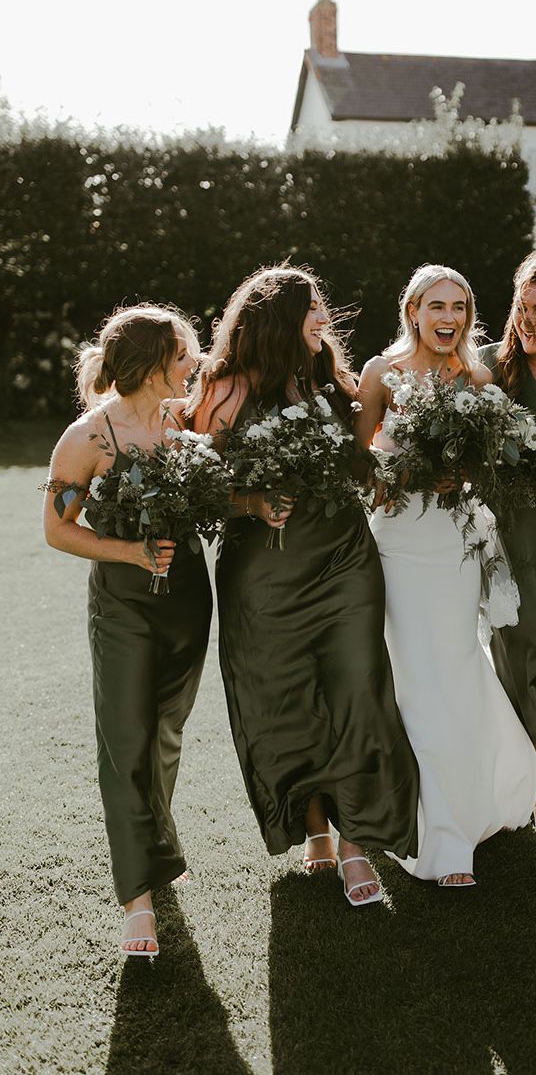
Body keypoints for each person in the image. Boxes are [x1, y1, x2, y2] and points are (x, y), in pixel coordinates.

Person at [191, 264, 419, 907]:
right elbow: (198, 485)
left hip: (345, 559)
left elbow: (365, 456)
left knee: (359, 691)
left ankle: (356, 844)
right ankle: (313, 825)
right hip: (263, 574)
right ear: (277, 318)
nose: (325, 315)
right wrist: (252, 501)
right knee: (284, 703)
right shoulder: (226, 390)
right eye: (313, 306)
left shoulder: (328, 383)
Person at [356, 263, 536, 887]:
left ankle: (483, 796)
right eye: (437, 306)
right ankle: (440, 834)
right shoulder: (382, 374)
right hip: (401, 545)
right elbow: (360, 465)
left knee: (459, 666)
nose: (449, 318)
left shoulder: (478, 377)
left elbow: (490, 467)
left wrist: (461, 473)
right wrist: (401, 472)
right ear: (413, 311)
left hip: (457, 545)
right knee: (415, 679)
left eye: (459, 307)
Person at [43, 304, 212, 956]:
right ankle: (137, 898)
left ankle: (159, 845)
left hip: (189, 596)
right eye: (182, 354)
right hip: (123, 605)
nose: (192, 364)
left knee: (168, 729)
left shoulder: (184, 423)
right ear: (148, 364)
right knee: (126, 738)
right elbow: (57, 528)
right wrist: (130, 553)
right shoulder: (87, 439)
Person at [479, 252, 536, 742]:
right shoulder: (487, 367)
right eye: (525, 307)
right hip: (511, 531)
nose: (530, 322)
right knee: (518, 646)